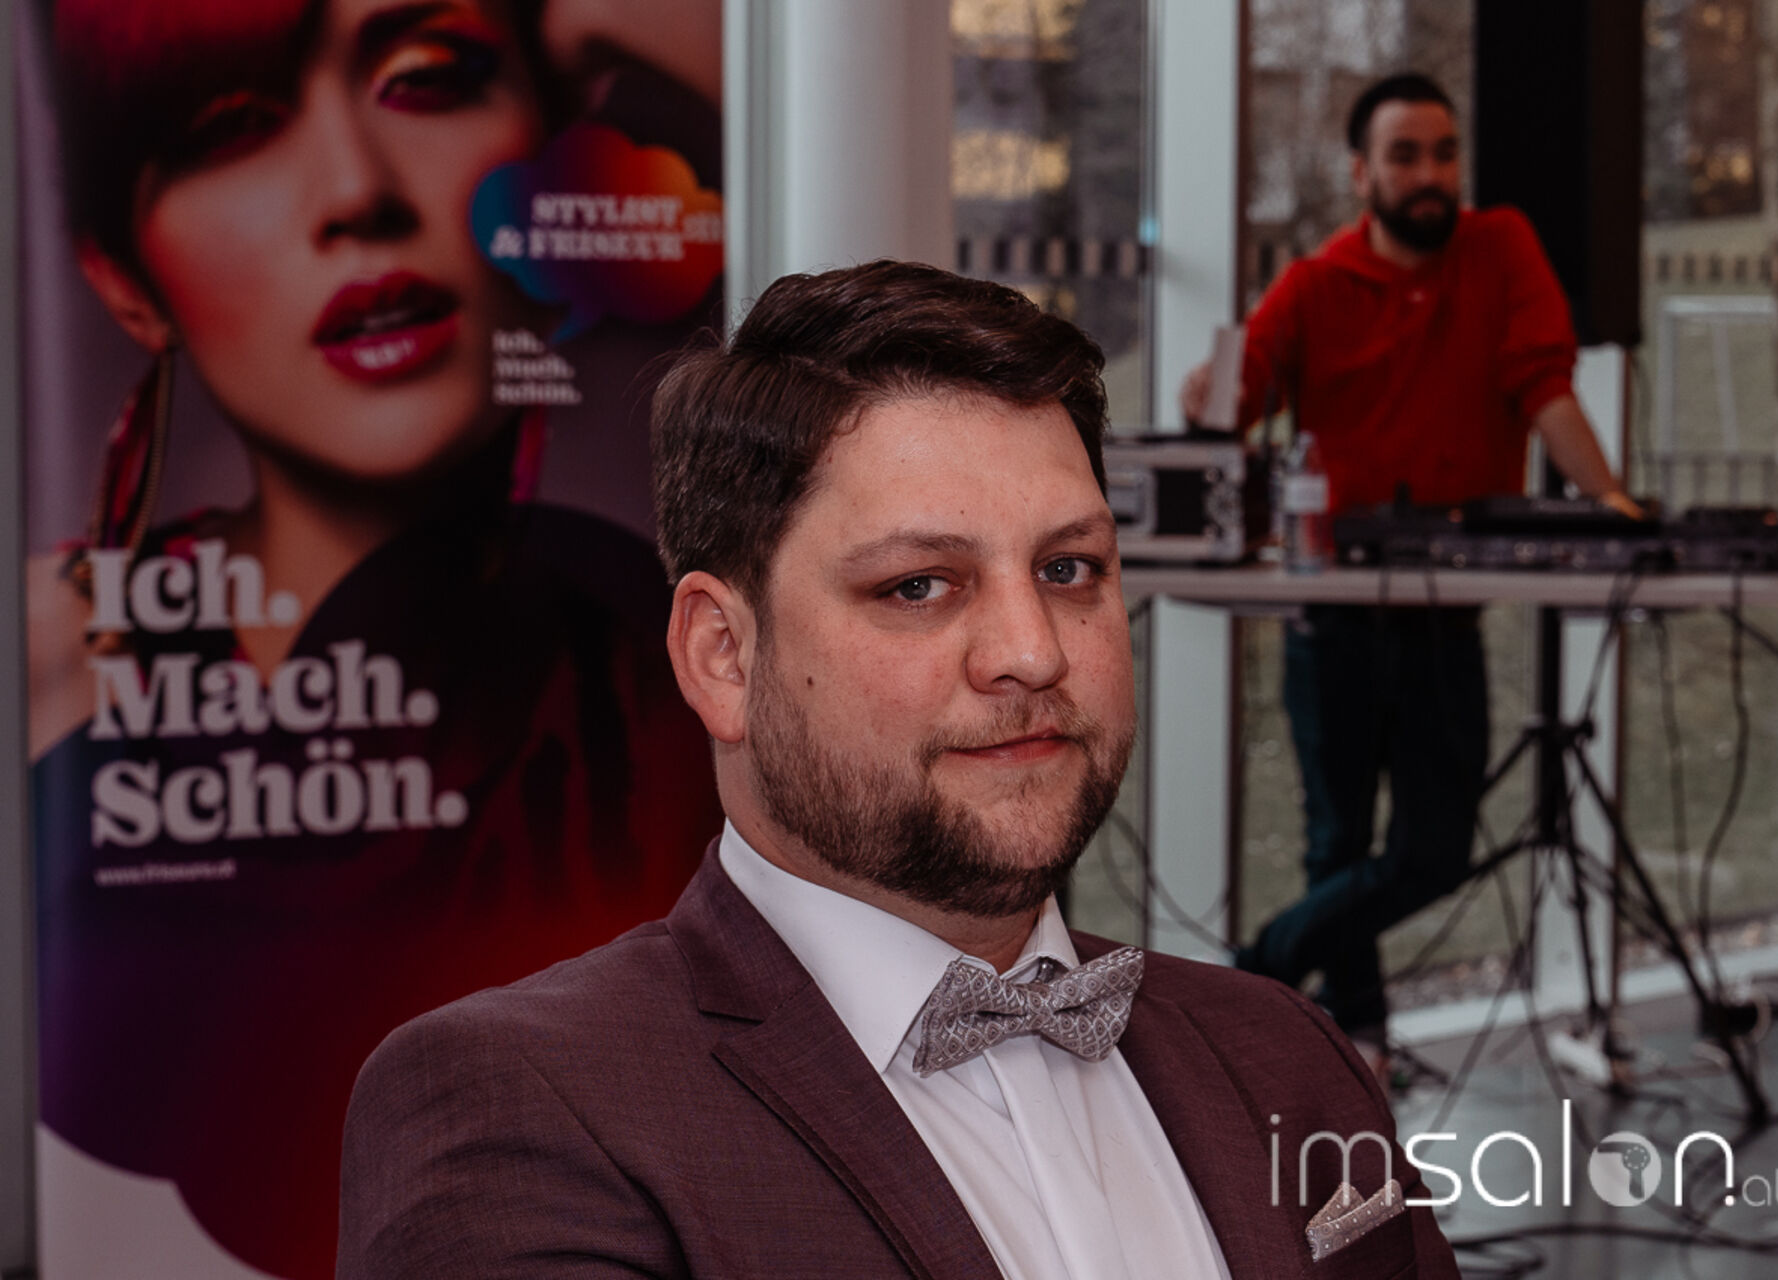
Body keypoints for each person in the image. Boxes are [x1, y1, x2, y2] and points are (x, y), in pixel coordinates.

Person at [337, 260, 1462, 1279]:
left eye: (1070, 568)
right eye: (919, 585)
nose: (1032, 652)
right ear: (723, 656)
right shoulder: (523, 1106)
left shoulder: (1285, 1051)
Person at [23, 2, 724, 1274]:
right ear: (123, 280)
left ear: (544, 142)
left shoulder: (693, 664)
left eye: (431, 77)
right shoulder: (52, 667)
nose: (357, 191)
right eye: (231, 129)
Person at [1180, 73, 1639, 1068]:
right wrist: (1206, 391)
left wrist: (1613, 505)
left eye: (1443, 153)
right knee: (1335, 844)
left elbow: (1545, 391)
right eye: (1404, 155)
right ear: (1361, 173)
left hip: (1444, 615)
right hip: (1333, 614)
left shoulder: (1501, 246)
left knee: (1435, 852)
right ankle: (1358, 1043)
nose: (1429, 173)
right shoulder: (1314, 284)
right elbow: (1228, 408)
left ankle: (1253, 970)